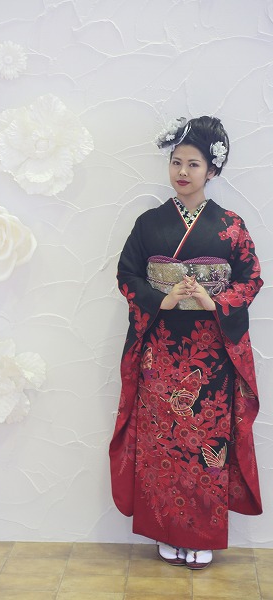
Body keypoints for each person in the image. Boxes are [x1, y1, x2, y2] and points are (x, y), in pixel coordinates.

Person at [109, 116, 263, 570]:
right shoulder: (149, 223)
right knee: (162, 441)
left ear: (212, 170)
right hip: (161, 350)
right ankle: (165, 530)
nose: (182, 172)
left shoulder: (230, 226)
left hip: (210, 354)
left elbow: (251, 278)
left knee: (205, 441)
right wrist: (163, 298)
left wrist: (216, 302)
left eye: (193, 164)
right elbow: (127, 274)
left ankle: (202, 535)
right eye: (176, 162)